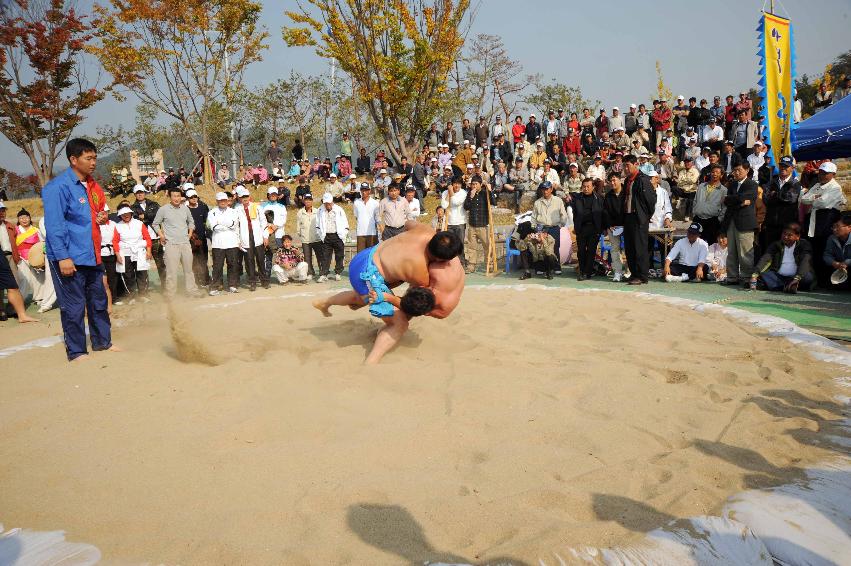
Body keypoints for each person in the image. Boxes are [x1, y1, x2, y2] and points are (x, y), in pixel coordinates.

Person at [312, 224, 464, 364]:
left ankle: (326, 303)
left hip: (367, 255)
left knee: (362, 297)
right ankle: (370, 363)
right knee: (400, 323)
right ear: (439, 259)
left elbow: (408, 223)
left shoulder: (425, 230)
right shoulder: (420, 273)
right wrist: (388, 298)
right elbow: (409, 304)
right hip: (367, 274)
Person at [42, 138, 115, 360]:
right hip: (70, 256)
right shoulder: (57, 188)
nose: (93, 162)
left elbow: (96, 212)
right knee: (74, 307)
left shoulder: (93, 185)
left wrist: (101, 217)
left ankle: (103, 342)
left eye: (94, 158)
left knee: (98, 301)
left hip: (92, 254)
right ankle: (77, 351)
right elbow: (54, 225)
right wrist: (63, 257)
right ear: (74, 160)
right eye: (88, 158)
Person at [800, 161, 847, 285]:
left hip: (827, 222)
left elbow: (823, 203)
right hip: (814, 222)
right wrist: (815, 197)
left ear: (833, 174)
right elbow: (803, 199)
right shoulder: (816, 185)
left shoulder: (835, 187)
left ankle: (826, 281)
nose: (822, 175)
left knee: (825, 251)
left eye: (825, 173)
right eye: (821, 172)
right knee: (814, 250)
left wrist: (813, 198)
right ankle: (816, 280)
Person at [152, 187, 200, 298]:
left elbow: (191, 222)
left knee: (188, 270)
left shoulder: (185, 209)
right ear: (170, 196)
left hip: (185, 244)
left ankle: (192, 290)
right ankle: (171, 294)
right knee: (171, 271)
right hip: (171, 245)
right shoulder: (163, 209)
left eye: (178, 196)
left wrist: (190, 233)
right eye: (174, 196)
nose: (176, 198)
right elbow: (155, 224)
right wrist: (161, 235)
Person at [621, 154, 657, 285]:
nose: (626, 168)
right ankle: (634, 274)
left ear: (636, 164)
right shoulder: (627, 180)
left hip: (639, 218)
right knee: (630, 247)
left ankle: (642, 276)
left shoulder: (643, 180)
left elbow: (651, 200)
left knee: (640, 248)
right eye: (624, 165)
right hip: (628, 217)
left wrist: (645, 216)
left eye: (628, 165)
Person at [722, 163, 758, 286]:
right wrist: (740, 202)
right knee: (731, 251)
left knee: (745, 252)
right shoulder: (732, 184)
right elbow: (726, 201)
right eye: (734, 170)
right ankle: (732, 276)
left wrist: (732, 199)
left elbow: (746, 198)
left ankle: (747, 277)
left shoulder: (752, 184)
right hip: (731, 220)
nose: (736, 172)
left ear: (747, 170)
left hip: (745, 222)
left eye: (739, 170)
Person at [750, 223, 814, 293]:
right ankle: (787, 287)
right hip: (778, 277)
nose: (785, 237)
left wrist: (797, 278)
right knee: (764, 275)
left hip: (796, 277)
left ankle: (782, 286)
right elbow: (765, 258)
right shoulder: (776, 245)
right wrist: (755, 274)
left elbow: (805, 261)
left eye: (789, 235)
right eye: (784, 234)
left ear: (797, 236)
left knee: (808, 277)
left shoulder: (804, 245)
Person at [233, 185, 269, 291]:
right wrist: (238, 240)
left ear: (249, 196)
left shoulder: (257, 207)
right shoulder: (237, 209)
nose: (245, 198)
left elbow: (264, 222)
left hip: (257, 236)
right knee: (249, 261)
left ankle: (264, 281)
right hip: (245, 237)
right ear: (239, 198)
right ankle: (252, 281)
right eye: (242, 196)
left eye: (246, 196)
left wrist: (265, 236)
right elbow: (236, 226)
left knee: (261, 260)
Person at [114, 206, 153, 303]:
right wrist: (117, 254)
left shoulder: (139, 223)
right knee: (128, 275)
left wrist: (148, 251)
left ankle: (143, 294)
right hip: (125, 252)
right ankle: (131, 296)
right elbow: (115, 241)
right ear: (120, 216)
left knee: (142, 273)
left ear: (131, 214)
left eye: (127, 214)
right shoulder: (118, 226)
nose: (126, 216)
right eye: (123, 215)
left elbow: (147, 238)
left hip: (139, 251)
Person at [762, 156, 802, 250]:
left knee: (785, 252)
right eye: (781, 166)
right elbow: (765, 199)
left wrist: (775, 195)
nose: (783, 168)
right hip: (771, 224)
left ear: (792, 168)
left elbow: (790, 198)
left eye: (786, 166)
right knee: (770, 251)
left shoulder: (796, 184)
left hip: (787, 226)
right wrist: (780, 196)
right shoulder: (772, 182)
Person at [130, 184, 165, 289]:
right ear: (135, 194)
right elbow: (135, 219)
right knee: (142, 266)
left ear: (145, 192)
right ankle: (144, 290)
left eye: (141, 192)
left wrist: (144, 216)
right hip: (142, 240)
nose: (140, 194)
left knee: (161, 264)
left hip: (155, 238)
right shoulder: (132, 208)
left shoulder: (154, 204)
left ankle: (166, 287)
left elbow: (159, 215)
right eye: (137, 193)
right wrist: (150, 216)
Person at [207, 191, 241, 295]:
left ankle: (233, 285)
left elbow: (233, 224)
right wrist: (226, 223)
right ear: (217, 201)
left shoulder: (233, 212)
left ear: (228, 201)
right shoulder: (212, 212)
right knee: (217, 266)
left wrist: (220, 222)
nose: (223, 202)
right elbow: (214, 227)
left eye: (225, 200)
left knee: (233, 265)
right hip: (218, 244)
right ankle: (214, 287)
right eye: (221, 200)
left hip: (232, 243)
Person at [571, 178, 604, 280]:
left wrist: (602, 228)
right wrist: (576, 227)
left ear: (593, 187)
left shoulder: (599, 198)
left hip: (594, 228)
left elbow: (603, 214)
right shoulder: (577, 198)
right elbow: (575, 214)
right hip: (581, 228)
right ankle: (582, 270)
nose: (585, 188)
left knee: (591, 251)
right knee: (581, 251)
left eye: (588, 186)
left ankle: (587, 273)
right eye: (584, 186)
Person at [316, 193, 349, 282]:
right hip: (326, 236)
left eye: (329, 203)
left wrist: (344, 234)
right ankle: (324, 274)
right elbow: (317, 224)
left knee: (339, 255)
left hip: (338, 236)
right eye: (326, 203)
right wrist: (321, 235)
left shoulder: (339, 210)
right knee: (325, 256)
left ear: (332, 202)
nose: (328, 205)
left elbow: (345, 223)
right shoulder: (320, 210)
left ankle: (338, 273)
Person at [692, 164, 728, 246]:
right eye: (713, 172)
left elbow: (724, 207)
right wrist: (694, 213)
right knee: (695, 244)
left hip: (713, 221)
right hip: (698, 218)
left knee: (712, 245)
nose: (714, 174)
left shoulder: (724, 190)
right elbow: (695, 200)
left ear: (721, 175)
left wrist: (719, 219)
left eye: (717, 172)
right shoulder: (701, 186)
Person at [184, 186, 210, 288]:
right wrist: (191, 236)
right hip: (190, 239)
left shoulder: (203, 207)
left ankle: (206, 280)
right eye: (191, 197)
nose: (194, 199)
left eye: (195, 197)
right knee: (193, 261)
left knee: (204, 260)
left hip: (202, 238)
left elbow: (206, 221)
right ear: (187, 198)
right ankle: (197, 281)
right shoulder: (184, 209)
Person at [296, 193, 321, 278]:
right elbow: (298, 226)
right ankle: (310, 273)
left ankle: (322, 272)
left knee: (320, 256)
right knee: (307, 258)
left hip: (317, 238)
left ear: (312, 201)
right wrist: (302, 235)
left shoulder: (317, 211)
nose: (308, 201)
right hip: (305, 239)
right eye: (306, 200)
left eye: (309, 200)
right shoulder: (300, 212)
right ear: (303, 201)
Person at [823, 213, 851, 290]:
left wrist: (847, 263)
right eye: (833, 227)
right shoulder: (831, 238)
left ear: (849, 227)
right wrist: (834, 263)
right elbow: (827, 255)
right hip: (840, 268)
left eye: (838, 226)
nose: (834, 229)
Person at [353, 183, 380, 252]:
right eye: (362, 190)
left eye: (366, 190)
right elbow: (356, 216)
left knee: (372, 255)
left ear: (369, 191)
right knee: (360, 255)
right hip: (360, 233)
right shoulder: (356, 203)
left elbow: (377, 217)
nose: (364, 192)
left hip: (372, 232)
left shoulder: (375, 203)